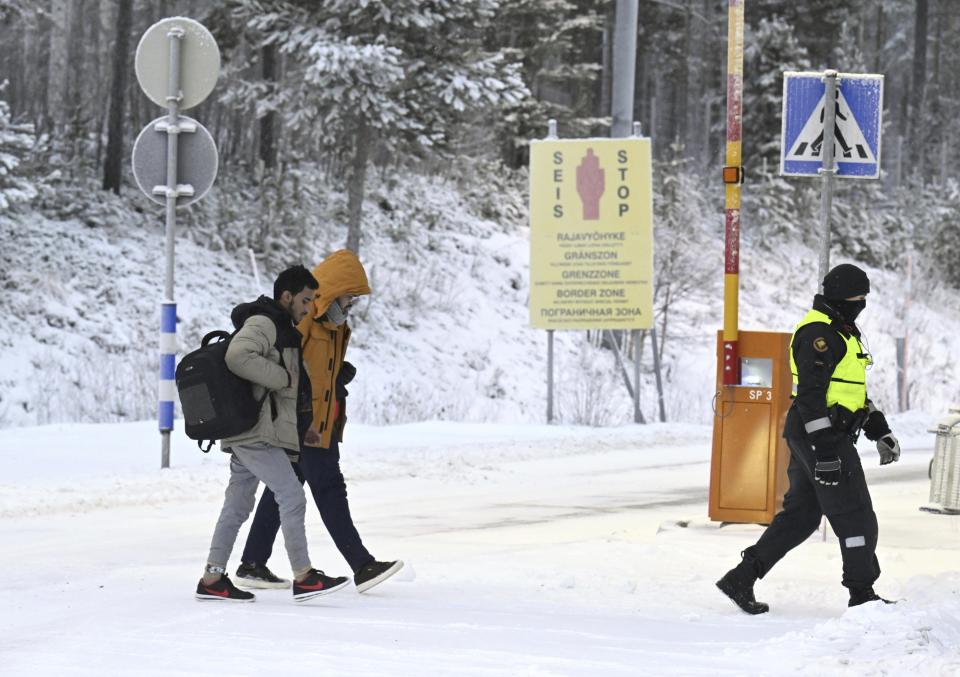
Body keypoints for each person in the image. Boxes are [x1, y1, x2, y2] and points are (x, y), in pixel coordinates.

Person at [717, 263, 901, 614]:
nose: (861, 304)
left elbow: (849, 392)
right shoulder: (820, 334)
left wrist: (879, 428)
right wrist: (827, 451)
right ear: (842, 297)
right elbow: (811, 398)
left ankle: (742, 577)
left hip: (818, 435)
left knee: (801, 516)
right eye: (858, 298)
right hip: (821, 437)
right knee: (856, 514)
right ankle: (862, 595)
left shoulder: (842, 331)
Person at [235, 250, 403, 594]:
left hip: (321, 421)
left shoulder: (336, 327)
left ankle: (252, 563)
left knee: (284, 490)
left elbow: (316, 371)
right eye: (349, 295)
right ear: (334, 291)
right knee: (328, 488)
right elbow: (292, 367)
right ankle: (362, 564)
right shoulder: (308, 322)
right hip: (305, 425)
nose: (353, 302)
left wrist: (336, 376)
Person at [195, 265, 351, 603]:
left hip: (253, 430)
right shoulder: (264, 322)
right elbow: (238, 356)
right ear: (287, 296)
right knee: (291, 495)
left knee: (237, 506)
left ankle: (212, 579)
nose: (309, 308)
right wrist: (282, 378)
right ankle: (305, 576)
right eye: (306, 300)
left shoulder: (281, 327)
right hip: (255, 432)